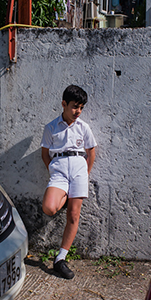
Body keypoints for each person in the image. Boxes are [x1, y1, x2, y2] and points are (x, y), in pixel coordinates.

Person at [40, 85, 97, 279]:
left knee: (74, 215)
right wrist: (52, 169)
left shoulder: (83, 127)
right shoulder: (51, 127)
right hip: (59, 170)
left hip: (79, 168)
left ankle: (60, 258)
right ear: (64, 104)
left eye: (81, 107)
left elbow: (91, 151)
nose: (78, 112)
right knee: (49, 208)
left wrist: (86, 173)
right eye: (74, 107)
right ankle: (63, 198)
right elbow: (45, 154)